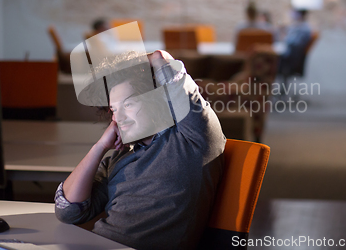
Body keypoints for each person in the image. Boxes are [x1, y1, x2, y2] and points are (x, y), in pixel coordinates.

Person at [55, 50, 226, 250]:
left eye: (128, 104)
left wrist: (152, 60)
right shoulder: (119, 158)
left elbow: (170, 71)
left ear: (156, 100)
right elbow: (68, 211)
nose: (120, 118)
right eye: (114, 109)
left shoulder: (192, 139)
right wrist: (100, 147)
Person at [279, 9, 312, 78]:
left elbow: (293, 42)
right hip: (291, 53)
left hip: (291, 55)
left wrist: (284, 39)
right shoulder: (299, 26)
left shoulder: (303, 28)